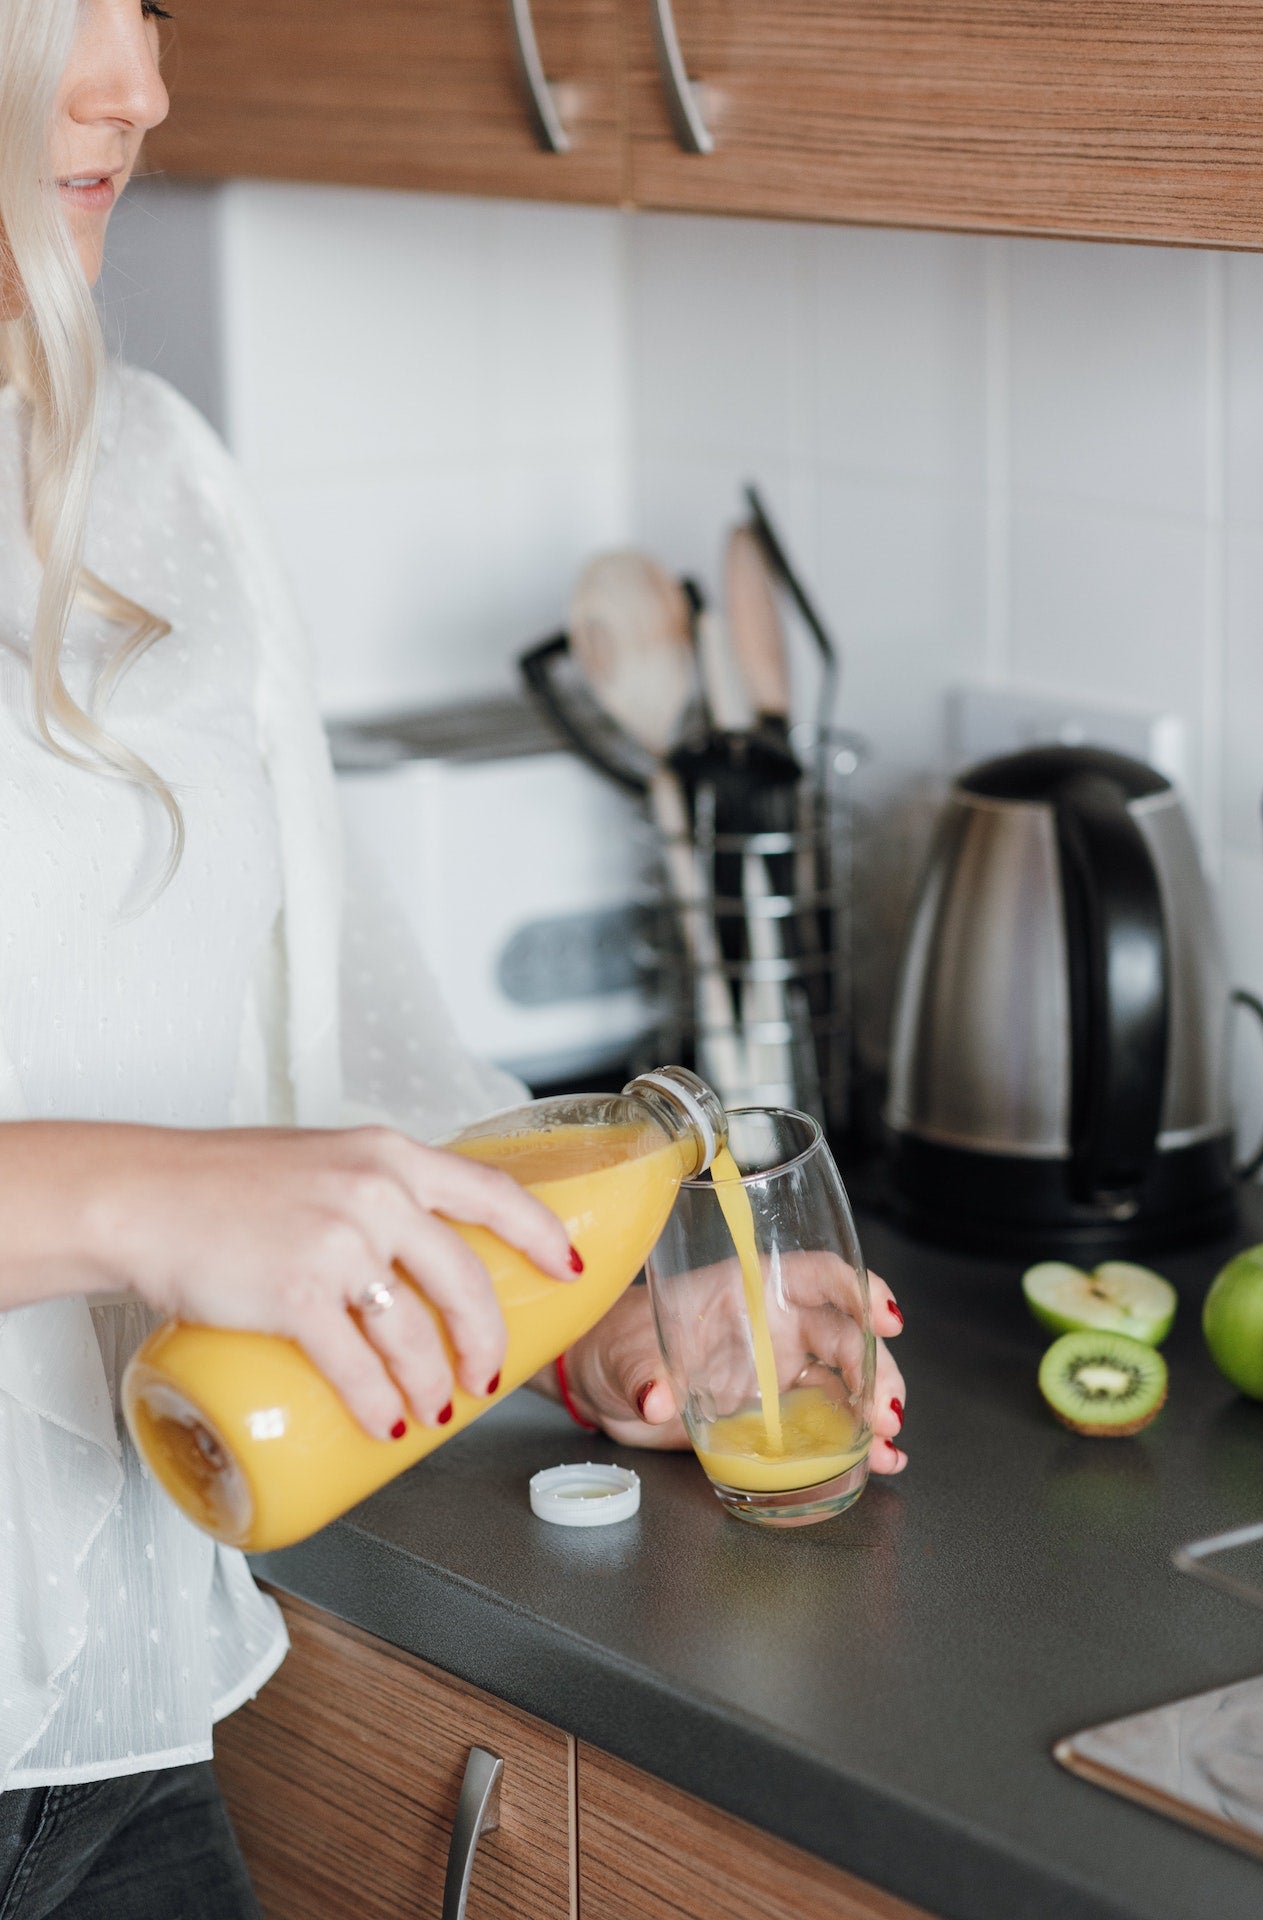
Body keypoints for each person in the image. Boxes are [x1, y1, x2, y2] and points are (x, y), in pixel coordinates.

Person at [0, 2, 908, 1913]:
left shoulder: (142, 471)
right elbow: (188, 1182)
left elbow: (332, 1040)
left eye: (143, 6)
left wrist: (567, 1305)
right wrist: (138, 1203)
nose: (137, 86)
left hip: (103, 1734)